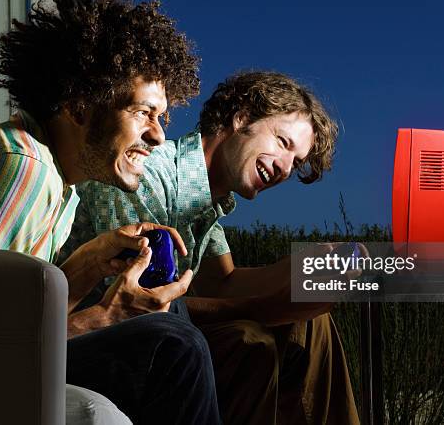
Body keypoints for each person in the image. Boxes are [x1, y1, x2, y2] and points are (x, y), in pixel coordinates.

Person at [0, 0, 222, 425]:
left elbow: (12, 321)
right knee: (172, 347)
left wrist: (85, 266)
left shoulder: (54, 180)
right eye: (143, 112)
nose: (159, 135)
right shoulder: (21, 170)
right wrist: (106, 315)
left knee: (172, 316)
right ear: (80, 105)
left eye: (162, 117)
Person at [64, 71, 360, 425]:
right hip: (99, 340)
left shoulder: (208, 204)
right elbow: (152, 307)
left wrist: (305, 266)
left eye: (295, 164)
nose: (284, 168)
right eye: (282, 142)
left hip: (154, 329)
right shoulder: (145, 177)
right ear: (241, 117)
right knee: (249, 341)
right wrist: (266, 307)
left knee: (313, 323)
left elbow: (224, 282)